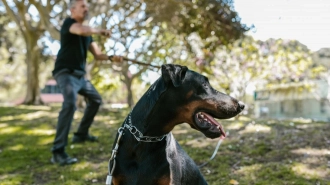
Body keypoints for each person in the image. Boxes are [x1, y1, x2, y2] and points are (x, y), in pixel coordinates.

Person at [51, 0, 123, 165]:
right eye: (82, 6)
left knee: (96, 99)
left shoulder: (88, 33)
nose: (86, 9)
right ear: (72, 10)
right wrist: (100, 31)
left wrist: (112, 57)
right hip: (65, 73)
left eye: (87, 7)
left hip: (80, 77)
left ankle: (81, 134)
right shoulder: (69, 24)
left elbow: (98, 55)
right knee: (70, 104)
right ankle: (58, 151)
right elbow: (82, 30)